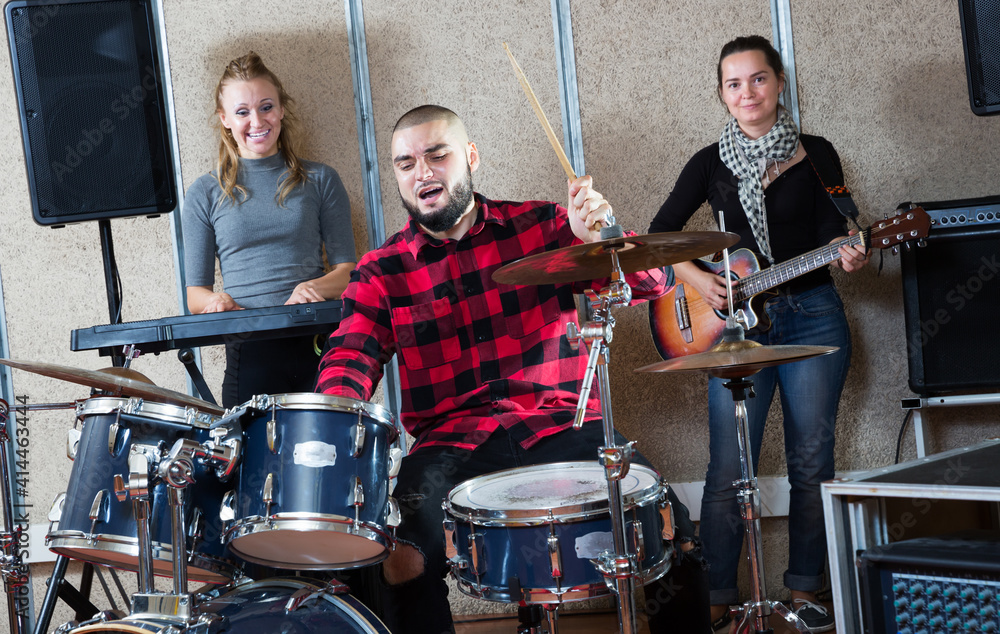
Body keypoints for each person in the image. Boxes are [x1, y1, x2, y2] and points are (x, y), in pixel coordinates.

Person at [316, 105, 710, 633]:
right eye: (406, 163)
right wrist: (334, 412)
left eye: (437, 154)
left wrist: (602, 233)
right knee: (402, 557)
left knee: (666, 524)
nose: (423, 172)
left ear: (471, 156)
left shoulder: (547, 227)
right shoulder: (381, 271)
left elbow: (655, 281)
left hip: (562, 427)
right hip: (450, 446)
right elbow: (350, 355)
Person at [648, 35, 869, 633]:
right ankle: (718, 590)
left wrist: (854, 254)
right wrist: (701, 280)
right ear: (722, 94)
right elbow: (658, 236)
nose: (748, 92)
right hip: (734, 327)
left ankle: (804, 589)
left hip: (814, 312)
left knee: (811, 461)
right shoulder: (708, 162)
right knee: (728, 465)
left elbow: (838, 231)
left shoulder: (817, 154)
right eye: (734, 83)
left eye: (759, 79)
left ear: (778, 83)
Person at [183, 51, 356, 408]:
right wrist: (216, 301)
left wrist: (314, 286)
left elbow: (348, 273)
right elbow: (194, 295)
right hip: (249, 352)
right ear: (225, 120)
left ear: (280, 110)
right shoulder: (205, 192)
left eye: (266, 107)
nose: (257, 120)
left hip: (318, 345)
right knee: (247, 463)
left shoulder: (321, 179)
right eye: (242, 111)